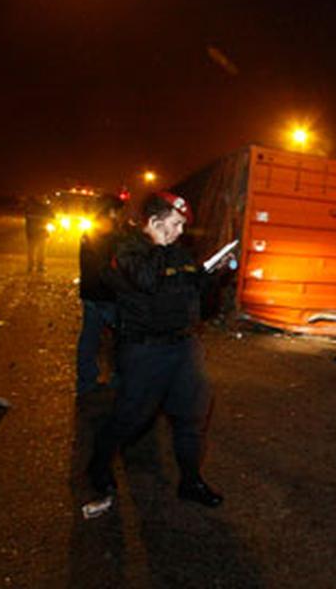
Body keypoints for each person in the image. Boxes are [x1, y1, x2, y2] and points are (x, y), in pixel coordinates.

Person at [87, 191, 230, 507]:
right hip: (144, 352)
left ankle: (191, 481)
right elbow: (147, 281)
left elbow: (198, 302)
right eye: (175, 224)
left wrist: (212, 278)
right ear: (153, 222)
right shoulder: (128, 249)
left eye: (182, 226)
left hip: (183, 347)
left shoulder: (178, 252)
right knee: (131, 418)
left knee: (193, 415)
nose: (180, 232)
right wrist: (159, 245)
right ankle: (98, 466)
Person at [75, 197, 124, 396]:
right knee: (121, 339)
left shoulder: (89, 232)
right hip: (107, 295)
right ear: (110, 212)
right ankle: (117, 379)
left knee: (90, 338)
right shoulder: (110, 233)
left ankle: (86, 381)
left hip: (91, 292)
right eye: (118, 211)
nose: (120, 215)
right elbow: (112, 266)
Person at [24, 196, 53, 273]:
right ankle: (39, 266)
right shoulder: (45, 208)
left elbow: (28, 218)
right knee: (40, 250)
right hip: (40, 232)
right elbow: (52, 218)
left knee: (33, 250)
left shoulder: (32, 207)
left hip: (33, 232)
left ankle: (32, 266)